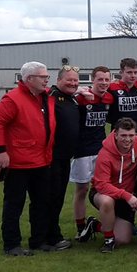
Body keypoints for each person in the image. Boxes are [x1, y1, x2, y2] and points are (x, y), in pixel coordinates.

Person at [0, 61, 58, 255]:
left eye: (47, 76)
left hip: (42, 160)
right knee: (14, 204)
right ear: (29, 79)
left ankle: (38, 240)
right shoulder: (13, 99)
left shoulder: (46, 97)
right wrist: (1, 151)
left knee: (41, 202)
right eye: (43, 76)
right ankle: (12, 244)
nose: (47, 79)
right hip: (18, 162)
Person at [89, 118, 137, 252]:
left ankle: (94, 225)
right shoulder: (105, 154)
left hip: (126, 197)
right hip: (104, 194)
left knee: (124, 240)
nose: (127, 139)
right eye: (123, 135)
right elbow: (101, 184)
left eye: (131, 135)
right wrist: (126, 195)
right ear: (115, 134)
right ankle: (108, 240)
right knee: (107, 201)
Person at [71, 65, 112, 241]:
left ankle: (105, 221)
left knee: (103, 187)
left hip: (101, 149)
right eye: (100, 79)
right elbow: (62, 94)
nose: (103, 83)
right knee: (82, 189)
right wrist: (78, 90)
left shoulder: (109, 97)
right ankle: (81, 227)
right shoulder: (82, 97)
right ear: (93, 80)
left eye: (107, 79)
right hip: (81, 150)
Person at [44, 65, 82, 250]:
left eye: (76, 80)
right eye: (69, 80)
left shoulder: (72, 99)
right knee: (51, 196)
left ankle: (52, 233)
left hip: (65, 157)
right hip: (51, 157)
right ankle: (49, 236)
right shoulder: (50, 97)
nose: (73, 83)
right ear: (58, 80)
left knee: (58, 197)